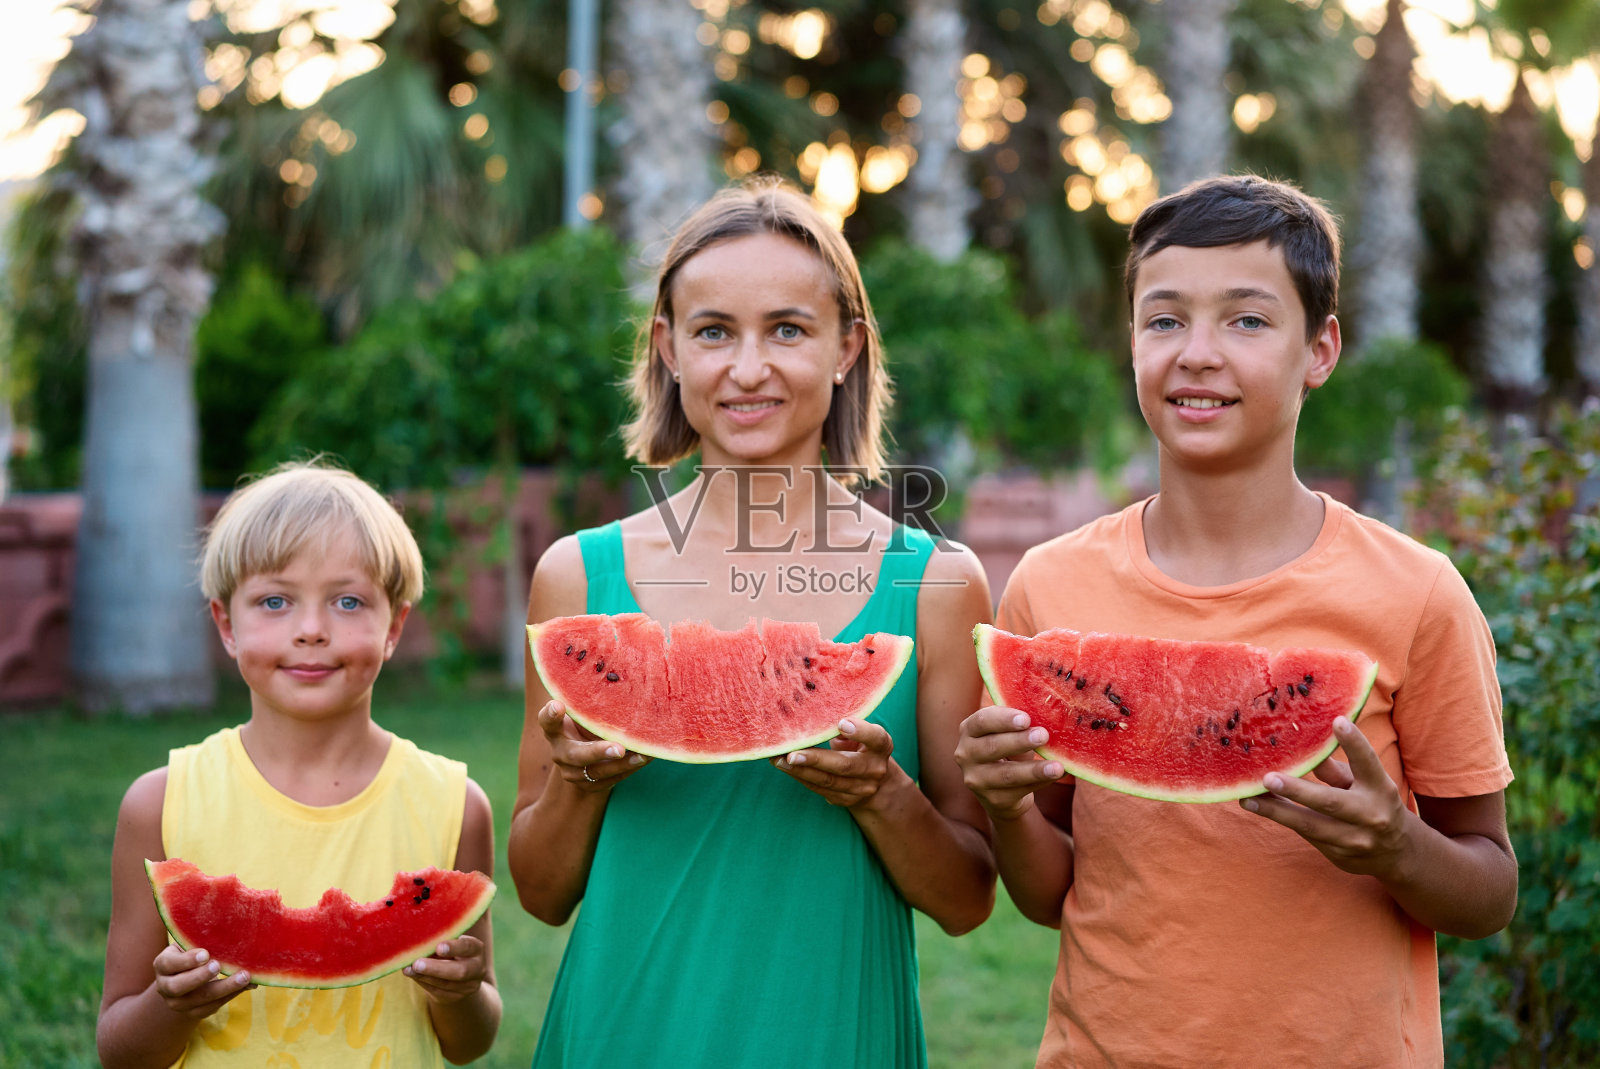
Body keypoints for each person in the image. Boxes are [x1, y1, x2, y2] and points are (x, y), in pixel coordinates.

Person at [954, 175, 1516, 1068]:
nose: (1197, 354)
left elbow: (1488, 890)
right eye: (1164, 319)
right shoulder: (1048, 588)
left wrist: (1394, 843)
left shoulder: (1417, 593)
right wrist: (1006, 803)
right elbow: (1051, 890)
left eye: (1247, 320)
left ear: (1319, 349)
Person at [507, 179, 997, 1068]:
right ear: (668, 349)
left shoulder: (936, 584)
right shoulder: (577, 576)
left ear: (847, 347)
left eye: (787, 329)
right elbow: (540, 892)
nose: (747, 368)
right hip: (625, 1031)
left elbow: (968, 897)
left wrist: (880, 794)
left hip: (833, 1036)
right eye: (712, 332)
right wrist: (580, 783)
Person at [97, 462, 501, 1068]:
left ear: (394, 627)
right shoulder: (159, 805)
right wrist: (170, 1004)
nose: (311, 630)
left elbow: (470, 1043)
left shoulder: (455, 805)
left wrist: (464, 992)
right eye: (275, 601)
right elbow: (119, 1049)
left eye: (347, 601)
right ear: (226, 625)